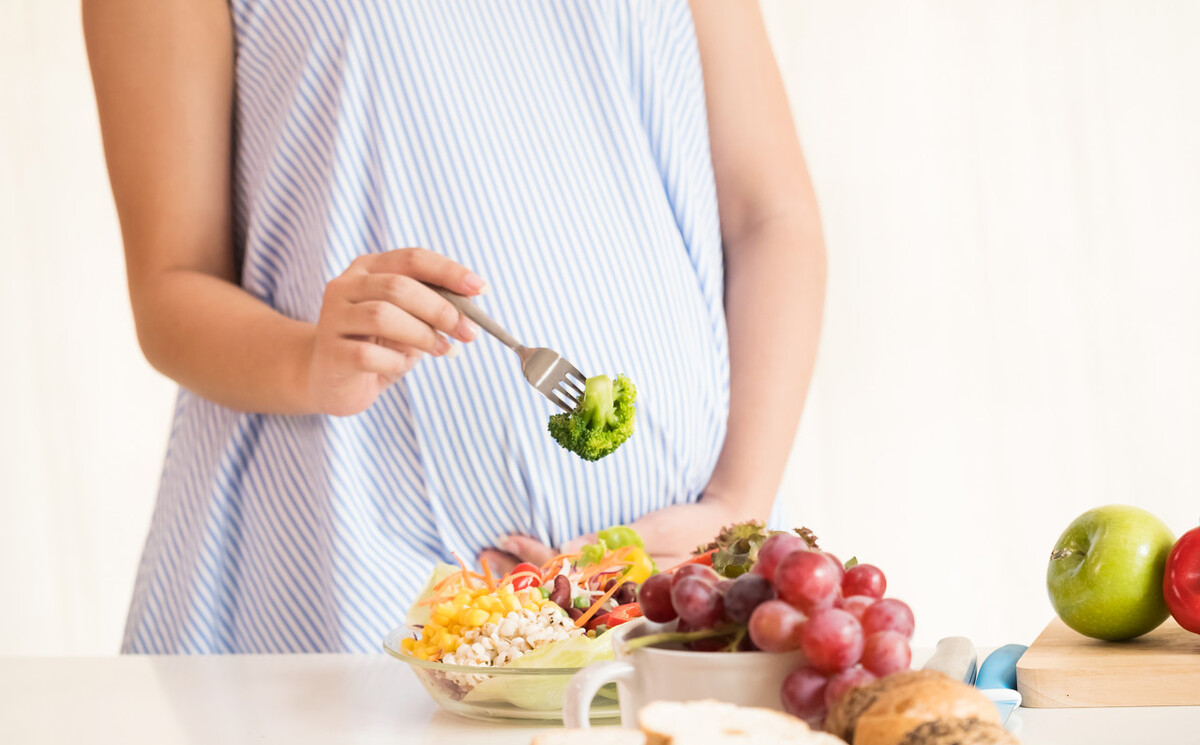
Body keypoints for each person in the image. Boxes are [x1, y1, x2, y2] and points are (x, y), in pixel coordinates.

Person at [84, 0, 826, 653]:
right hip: (347, 583)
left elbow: (771, 218)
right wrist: (309, 361)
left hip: (683, 588)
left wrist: (738, 504)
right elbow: (172, 284)